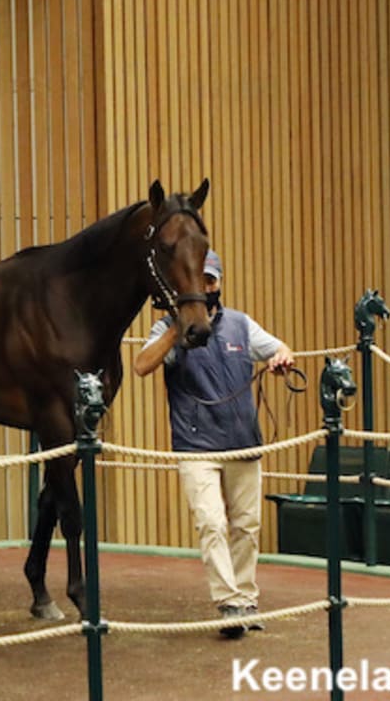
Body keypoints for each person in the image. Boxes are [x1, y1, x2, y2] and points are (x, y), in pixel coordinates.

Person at [133, 248, 294, 639]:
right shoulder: (166, 327)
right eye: (197, 280)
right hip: (196, 446)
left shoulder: (240, 324)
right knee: (211, 523)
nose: (204, 287)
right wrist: (177, 328)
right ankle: (229, 603)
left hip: (243, 443)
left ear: (218, 282)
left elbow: (280, 349)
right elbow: (141, 365)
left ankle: (246, 599)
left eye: (210, 280)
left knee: (246, 525)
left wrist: (280, 358)